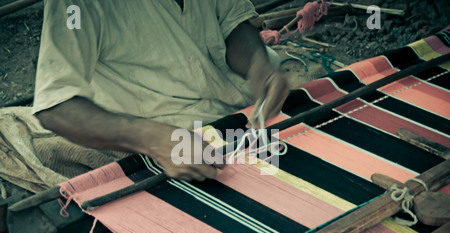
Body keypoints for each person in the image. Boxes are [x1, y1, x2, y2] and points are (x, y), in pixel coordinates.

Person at [32, 0, 290, 182]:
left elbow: (233, 23)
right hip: (173, 136)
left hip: (243, 113)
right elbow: (57, 105)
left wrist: (260, 68)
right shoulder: (75, 5)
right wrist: (153, 139)